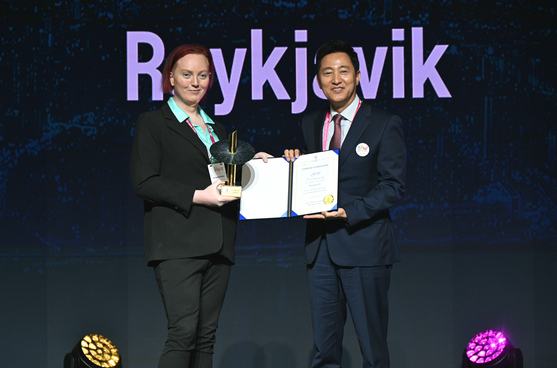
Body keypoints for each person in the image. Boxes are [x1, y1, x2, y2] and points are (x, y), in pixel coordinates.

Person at [130, 44, 271, 368]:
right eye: (187, 74)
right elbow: (144, 182)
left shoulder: (216, 129)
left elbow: (224, 178)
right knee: (183, 333)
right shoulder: (154, 122)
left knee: (206, 338)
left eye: (203, 75)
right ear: (171, 78)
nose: (195, 82)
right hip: (178, 242)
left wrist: (258, 164)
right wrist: (199, 195)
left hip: (218, 242)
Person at [284, 40, 406, 368]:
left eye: (343, 71)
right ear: (318, 81)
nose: (336, 79)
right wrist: (290, 164)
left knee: (372, 349)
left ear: (357, 76)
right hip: (320, 250)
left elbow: (393, 186)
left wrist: (349, 211)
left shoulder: (383, 122)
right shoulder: (311, 122)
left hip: (364, 246)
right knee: (324, 352)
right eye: (327, 73)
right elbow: (312, 179)